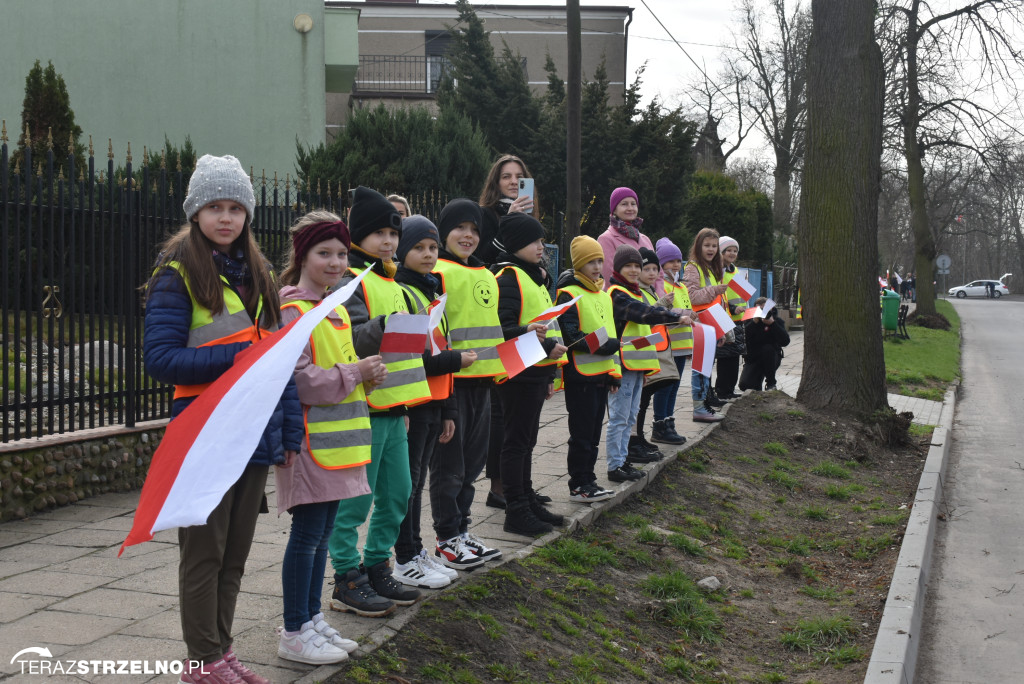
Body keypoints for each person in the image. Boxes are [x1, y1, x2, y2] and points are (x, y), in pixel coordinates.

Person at [143, 154, 302, 684]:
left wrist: (290, 429)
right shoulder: (178, 276)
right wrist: (235, 360)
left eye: (236, 207)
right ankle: (201, 660)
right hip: (204, 437)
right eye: (215, 206)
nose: (226, 217)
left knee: (235, 555)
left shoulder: (259, 276)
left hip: (253, 434)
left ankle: (222, 650)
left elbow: (279, 364)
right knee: (203, 554)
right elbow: (160, 359)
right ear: (195, 212)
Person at [275, 213, 387, 664]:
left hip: (339, 445)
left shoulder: (334, 307)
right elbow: (298, 379)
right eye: (325, 253)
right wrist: (354, 373)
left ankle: (310, 617)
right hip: (310, 444)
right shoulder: (291, 307)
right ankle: (293, 630)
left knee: (321, 536)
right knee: (306, 536)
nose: (337, 262)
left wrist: (366, 378)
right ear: (302, 256)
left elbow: (336, 369)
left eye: (342, 254)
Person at [328, 187, 432, 619]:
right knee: (355, 501)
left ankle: (377, 564)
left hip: (395, 410)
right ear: (359, 236)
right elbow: (348, 338)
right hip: (363, 409)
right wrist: (386, 325)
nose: (388, 241)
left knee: (399, 494)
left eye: (393, 232)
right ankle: (346, 576)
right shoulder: (350, 280)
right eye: (378, 233)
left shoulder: (396, 282)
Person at [392, 215, 471, 589]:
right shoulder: (404, 292)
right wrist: (455, 362)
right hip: (414, 402)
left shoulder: (431, 292)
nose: (427, 255)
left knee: (417, 482)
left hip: (435, 400)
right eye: (419, 247)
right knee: (405, 486)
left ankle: (415, 549)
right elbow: (411, 358)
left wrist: (449, 407)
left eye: (433, 248)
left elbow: (443, 344)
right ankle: (404, 555)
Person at [431, 198, 506, 567]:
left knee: (472, 466)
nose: (468, 235)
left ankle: (462, 529)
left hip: (484, 383)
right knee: (449, 468)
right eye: (460, 228)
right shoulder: (438, 272)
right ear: (444, 232)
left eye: (474, 229)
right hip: (453, 383)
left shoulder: (487, 273)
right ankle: (446, 537)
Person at [492, 212, 568, 536]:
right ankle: (516, 509)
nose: (541, 246)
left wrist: (550, 365)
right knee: (516, 442)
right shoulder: (508, 277)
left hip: (535, 371)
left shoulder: (534, 277)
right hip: (518, 373)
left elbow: (539, 325)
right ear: (517, 244)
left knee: (527, 441)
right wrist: (542, 341)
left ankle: (525, 497)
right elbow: (503, 328)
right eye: (535, 241)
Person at [477, 154, 535, 510]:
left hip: (524, 316)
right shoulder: (486, 216)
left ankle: (520, 486)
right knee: (502, 412)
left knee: (525, 412)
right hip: (497, 315)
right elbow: (482, 258)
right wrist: (510, 221)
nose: (513, 182)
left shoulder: (528, 216)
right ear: (495, 182)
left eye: (519, 177)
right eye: (506, 177)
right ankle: (499, 486)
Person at [604, 245, 690, 482]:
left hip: (637, 364)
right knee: (619, 418)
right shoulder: (616, 293)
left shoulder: (632, 292)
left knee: (630, 417)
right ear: (618, 268)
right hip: (622, 366)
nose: (634, 270)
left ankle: (623, 461)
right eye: (629, 266)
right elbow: (641, 313)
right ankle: (615, 465)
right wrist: (672, 315)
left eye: (636, 266)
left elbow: (640, 326)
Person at [554, 236, 620, 502]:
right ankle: (578, 484)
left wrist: (614, 372)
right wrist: (607, 347)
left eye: (599, 261)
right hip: (580, 376)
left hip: (602, 375)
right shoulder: (568, 294)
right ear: (578, 264)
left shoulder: (603, 296)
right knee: (580, 434)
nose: (596, 266)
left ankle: (589, 479)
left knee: (593, 433)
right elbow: (571, 336)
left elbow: (611, 333)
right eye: (590, 262)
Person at [629, 246, 672, 461]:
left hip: (652, 352)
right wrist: (661, 306)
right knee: (638, 400)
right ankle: (633, 440)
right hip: (641, 353)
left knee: (643, 400)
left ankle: (639, 436)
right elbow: (645, 315)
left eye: (655, 268)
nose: (652, 273)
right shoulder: (638, 293)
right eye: (647, 268)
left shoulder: (651, 290)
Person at [650, 237, 694, 443]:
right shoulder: (663, 286)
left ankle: (669, 422)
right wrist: (686, 313)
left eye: (678, 260)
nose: (676, 264)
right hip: (669, 344)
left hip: (683, 344)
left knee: (674, 386)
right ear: (661, 264)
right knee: (665, 386)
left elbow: (686, 309)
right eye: (671, 261)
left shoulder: (681, 286)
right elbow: (663, 311)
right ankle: (660, 424)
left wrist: (692, 314)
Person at [683, 228, 730, 423]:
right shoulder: (693, 267)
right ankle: (699, 407)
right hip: (700, 325)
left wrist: (721, 329)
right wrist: (714, 289)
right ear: (698, 246)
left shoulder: (711, 268)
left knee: (706, 368)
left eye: (714, 246)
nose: (711, 249)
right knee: (700, 368)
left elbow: (716, 302)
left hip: (711, 324)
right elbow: (691, 295)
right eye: (707, 245)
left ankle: (703, 404)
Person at [596, 187, 654, 287]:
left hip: (653, 300)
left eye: (633, 204)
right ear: (614, 210)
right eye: (624, 204)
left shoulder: (645, 239)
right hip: (624, 300)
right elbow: (611, 277)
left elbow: (659, 274)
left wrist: (658, 298)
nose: (630, 208)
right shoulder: (606, 239)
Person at [715, 236, 747, 399]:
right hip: (726, 318)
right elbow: (720, 297)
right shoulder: (718, 271)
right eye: (728, 250)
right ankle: (722, 389)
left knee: (734, 357)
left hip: (739, 319)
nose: (732, 253)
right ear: (721, 252)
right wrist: (734, 308)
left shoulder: (735, 270)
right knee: (725, 357)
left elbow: (740, 294)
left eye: (735, 250)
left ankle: (729, 389)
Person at [739, 297, 790, 391]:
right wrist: (754, 322)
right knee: (745, 385)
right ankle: (757, 382)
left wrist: (772, 324)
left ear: (771, 309)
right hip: (754, 358)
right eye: (760, 310)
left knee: (767, 349)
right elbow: (743, 339)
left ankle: (771, 382)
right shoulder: (750, 322)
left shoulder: (777, 321)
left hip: (771, 358)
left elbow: (785, 341)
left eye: (765, 309)